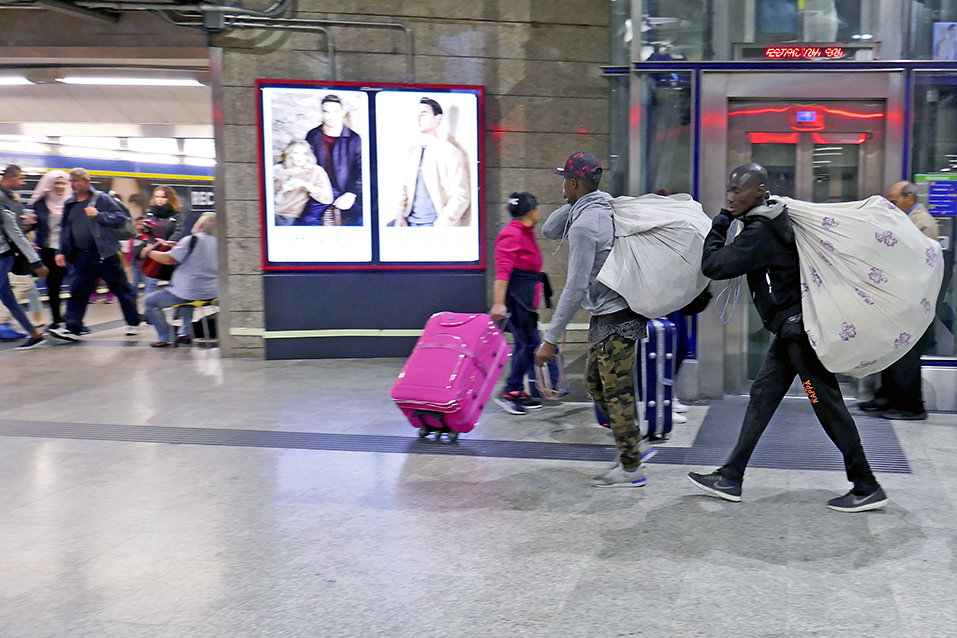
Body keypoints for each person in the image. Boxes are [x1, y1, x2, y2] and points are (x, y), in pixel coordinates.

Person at [687, 163, 887, 513]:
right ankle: (731, 476)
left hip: (798, 338)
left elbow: (714, 265)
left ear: (759, 190)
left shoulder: (760, 230)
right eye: (729, 190)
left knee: (824, 403)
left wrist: (720, 221)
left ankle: (866, 483)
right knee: (762, 397)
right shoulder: (772, 217)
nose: (731, 196)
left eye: (738, 190)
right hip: (790, 331)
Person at [535, 152, 654, 488]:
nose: (562, 186)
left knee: (616, 393)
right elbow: (549, 229)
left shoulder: (587, 225)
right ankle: (633, 442)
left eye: (565, 181)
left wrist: (550, 339)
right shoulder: (594, 209)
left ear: (574, 181)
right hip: (606, 314)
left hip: (616, 317)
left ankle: (632, 467)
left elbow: (574, 287)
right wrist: (578, 199)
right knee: (594, 383)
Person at [857, 181, 939, 420]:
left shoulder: (922, 223)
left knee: (906, 355)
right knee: (891, 350)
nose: (891, 207)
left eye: (894, 202)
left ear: (910, 198)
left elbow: (919, 265)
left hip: (912, 301)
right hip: (897, 299)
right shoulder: (906, 221)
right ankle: (887, 397)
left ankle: (911, 406)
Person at [48, 168, 140, 342]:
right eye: (71, 181)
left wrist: (99, 215)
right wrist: (61, 252)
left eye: (77, 181)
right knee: (78, 292)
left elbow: (120, 218)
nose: (73, 185)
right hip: (82, 256)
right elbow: (65, 230)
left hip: (105, 255)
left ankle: (133, 323)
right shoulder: (70, 204)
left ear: (87, 181)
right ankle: (72, 329)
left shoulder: (101, 199)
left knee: (122, 290)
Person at [489, 192, 554, 415]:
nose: (539, 211)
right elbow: (502, 272)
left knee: (528, 343)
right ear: (531, 211)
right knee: (527, 343)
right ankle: (511, 390)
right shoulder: (512, 235)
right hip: (516, 299)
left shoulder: (525, 232)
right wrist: (498, 303)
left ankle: (518, 390)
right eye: (537, 208)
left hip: (526, 298)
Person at [142, 212, 218, 348]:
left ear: (200, 225)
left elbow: (168, 259)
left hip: (189, 292)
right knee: (187, 300)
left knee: (149, 302)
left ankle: (166, 337)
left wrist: (148, 252)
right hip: (212, 293)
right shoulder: (219, 242)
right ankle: (185, 332)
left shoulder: (192, 240)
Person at [393, 97, 471, 227]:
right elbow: (403, 186)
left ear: (437, 118)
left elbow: (461, 195)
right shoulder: (412, 150)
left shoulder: (450, 151)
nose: (419, 119)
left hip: (436, 225)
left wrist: (442, 224)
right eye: (417, 115)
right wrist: (400, 214)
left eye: (423, 114)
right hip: (409, 224)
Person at [0, 164, 49, 349]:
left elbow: (16, 233)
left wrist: (35, 261)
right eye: (20, 178)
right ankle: (35, 335)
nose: (24, 182)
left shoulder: (4, 202)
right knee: (9, 299)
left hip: (3, 257)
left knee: (9, 297)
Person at [305, 94, 363, 226]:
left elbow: (363, 170)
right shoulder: (313, 135)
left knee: (360, 221)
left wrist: (351, 194)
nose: (331, 116)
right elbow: (307, 165)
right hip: (319, 191)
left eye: (335, 111)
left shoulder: (354, 139)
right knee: (307, 221)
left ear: (342, 113)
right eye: (326, 112)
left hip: (346, 191)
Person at [135, 186, 184, 299]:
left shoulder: (176, 215)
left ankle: (178, 305)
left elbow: (178, 231)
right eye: (157, 197)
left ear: (169, 198)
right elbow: (145, 232)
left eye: (163, 197)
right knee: (151, 281)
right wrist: (145, 228)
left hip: (169, 251)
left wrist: (167, 244)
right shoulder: (151, 213)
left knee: (173, 280)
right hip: (154, 250)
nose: (159, 199)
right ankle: (149, 308)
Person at [272, 140, 335, 226]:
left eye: (304, 153)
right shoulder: (278, 170)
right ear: (289, 155)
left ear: (308, 156)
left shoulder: (315, 171)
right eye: (296, 153)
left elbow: (327, 198)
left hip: (289, 217)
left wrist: (306, 185)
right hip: (270, 213)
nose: (300, 157)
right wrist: (282, 190)